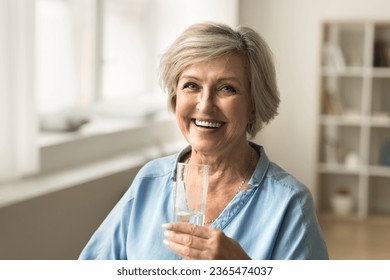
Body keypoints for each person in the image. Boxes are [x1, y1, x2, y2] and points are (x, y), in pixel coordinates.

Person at [79, 22, 329, 260]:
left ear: (253, 105)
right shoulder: (150, 181)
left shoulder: (289, 203)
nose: (205, 104)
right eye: (191, 85)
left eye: (226, 88)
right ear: (176, 97)